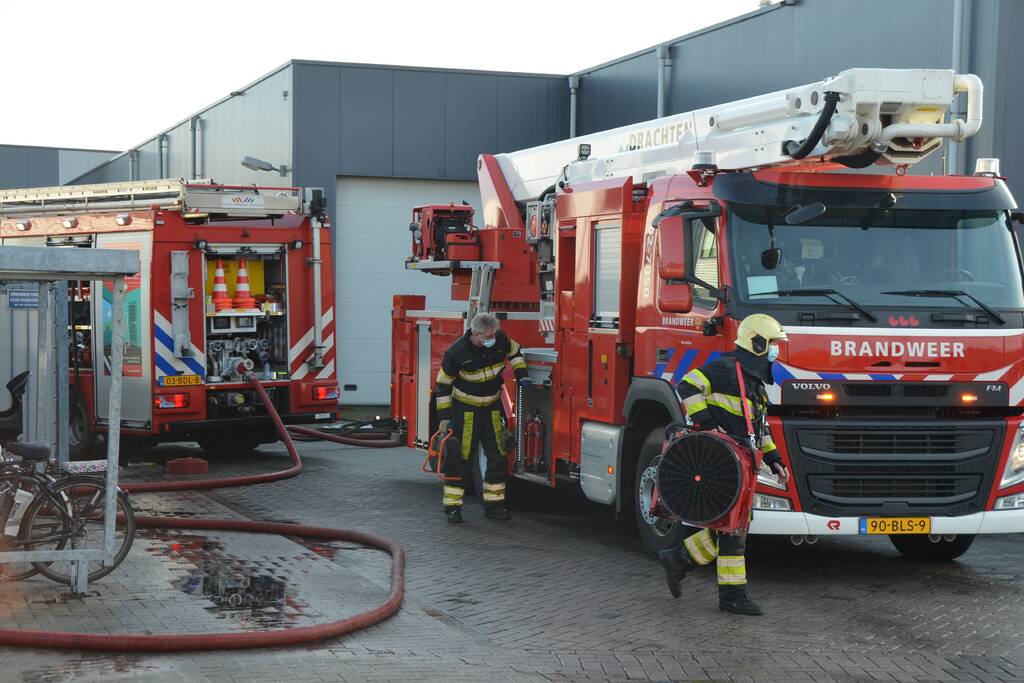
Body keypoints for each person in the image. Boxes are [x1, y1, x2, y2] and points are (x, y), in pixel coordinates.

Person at [658, 314, 790, 616]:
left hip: (742, 462)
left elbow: (758, 428)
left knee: (733, 527)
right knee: (733, 530)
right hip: (723, 461)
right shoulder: (725, 369)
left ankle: (678, 559)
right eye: (772, 345)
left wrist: (774, 459)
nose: (776, 352)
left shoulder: (753, 382)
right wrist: (710, 426)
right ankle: (732, 597)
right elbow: (687, 386)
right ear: (757, 344)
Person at [434, 313, 531, 523]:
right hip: (466, 411)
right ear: (476, 334)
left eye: (494, 334)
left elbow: (515, 351)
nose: (493, 338)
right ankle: (452, 508)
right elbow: (442, 385)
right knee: (461, 460)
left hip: (492, 409)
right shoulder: (457, 353)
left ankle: (494, 506)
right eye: (488, 335)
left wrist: (521, 374)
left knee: (497, 457)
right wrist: (444, 417)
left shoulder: (501, 340)